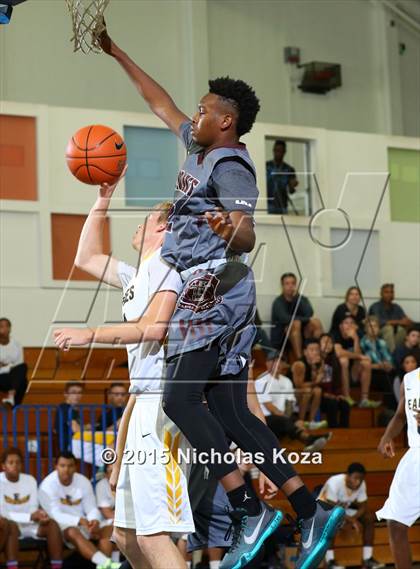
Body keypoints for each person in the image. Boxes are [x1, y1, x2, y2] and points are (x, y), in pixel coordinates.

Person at [95, 24, 344, 569]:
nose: (194, 116)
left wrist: (227, 228)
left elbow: (249, 232)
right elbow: (158, 102)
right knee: (231, 410)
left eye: (204, 111)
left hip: (214, 288)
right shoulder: (200, 148)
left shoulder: (231, 164)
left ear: (225, 121)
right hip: (209, 290)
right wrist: (117, 52)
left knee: (180, 400)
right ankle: (308, 509)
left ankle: (248, 507)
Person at [53, 173, 194, 568]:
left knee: (153, 533)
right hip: (143, 407)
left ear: (164, 225)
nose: (139, 222)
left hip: (163, 412)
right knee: (125, 535)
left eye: (147, 215)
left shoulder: (168, 268)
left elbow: (154, 327)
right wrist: (103, 199)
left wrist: (90, 334)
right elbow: (86, 258)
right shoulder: (138, 276)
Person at [39, 452, 119, 569]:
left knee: (110, 529)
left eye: (70, 466)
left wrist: (94, 521)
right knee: (72, 531)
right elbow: (54, 514)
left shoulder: (82, 481)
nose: (66, 469)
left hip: (85, 525)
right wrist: (79, 520)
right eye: (62, 465)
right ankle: (106, 564)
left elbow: (90, 507)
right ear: (56, 466)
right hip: (61, 528)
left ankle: (109, 565)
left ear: (75, 467)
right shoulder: (47, 485)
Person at [376, 366, 420, 569]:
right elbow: (401, 415)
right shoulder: (410, 379)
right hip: (416, 455)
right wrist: (387, 435)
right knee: (395, 522)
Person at [0, 447, 63, 569]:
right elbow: (2, 513)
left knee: (52, 525)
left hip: (31, 524)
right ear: (3, 466)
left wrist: (40, 516)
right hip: (10, 526)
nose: (15, 465)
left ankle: (57, 566)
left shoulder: (30, 480)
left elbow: (33, 507)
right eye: (11, 462)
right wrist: (29, 516)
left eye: (18, 462)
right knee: (10, 525)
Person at [255, 351, 331, 449]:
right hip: (265, 419)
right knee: (288, 421)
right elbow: (269, 406)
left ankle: (311, 440)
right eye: (274, 361)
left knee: (293, 422)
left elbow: (289, 403)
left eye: (280, 361)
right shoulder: (261, 381)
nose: (277, 364)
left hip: (282, 418)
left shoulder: (287, 381)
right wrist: (288, 419)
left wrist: (288, 417)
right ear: (267, 363)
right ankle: (310, 439)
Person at [319, 463, 384, 569]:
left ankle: (367, 559)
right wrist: (352, 521)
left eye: (361, 479)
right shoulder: (335, 482)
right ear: (347, 476)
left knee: (369, 517)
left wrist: (353, 519)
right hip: (323, 510)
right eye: (355, 478)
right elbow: (332, 508)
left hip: (343, 511)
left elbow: (363, 506)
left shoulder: (362, 484)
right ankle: (330, 561)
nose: (358, 482)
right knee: (332, 520)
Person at [271, 273, 323, 359]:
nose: (290, 286)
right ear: (282, 286)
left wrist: (297, 297)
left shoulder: (301, 299)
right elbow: (285, 318)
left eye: (293, 283)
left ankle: (318, 356)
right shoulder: (278, 302)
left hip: (302, 334)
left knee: (316, 322)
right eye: (287, 284)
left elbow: (309, 313)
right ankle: (300, 359)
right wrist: (303, 319)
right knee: (296, 323)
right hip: (282, 337)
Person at [333, 316, 379, 408]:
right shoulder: (335, 334)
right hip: (337, 372)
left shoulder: (358, 335)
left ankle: (364, 399)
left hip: (353, 371)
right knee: (344, 360)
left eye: (352, 323)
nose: (349, 325)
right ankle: (346, 397)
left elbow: (358, 356)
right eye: (346, 323)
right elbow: (339, 352)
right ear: (340, 326)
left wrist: (356, 339)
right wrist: (358, 356)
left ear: (355, 326)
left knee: (366, 363)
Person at [291, 339, 328, 429]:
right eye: (311, 350)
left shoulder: (318, 363)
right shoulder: (300, 364)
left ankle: (311, 421)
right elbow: (298, 385)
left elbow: (317, 383)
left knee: (318, 391)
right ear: (305, 352)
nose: (315, 352)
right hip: (291, 392)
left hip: (307, 389)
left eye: (317, 350)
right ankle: (301, 422)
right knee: (308, 391)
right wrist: (315, 381)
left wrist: (315, 368)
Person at [369, 284, 412, 352]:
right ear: (381, 294)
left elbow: (406, 321)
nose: (389, 294)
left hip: (393, 336)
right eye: (386, 292)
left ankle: (397, 352)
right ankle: (392, 355)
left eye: (391, 292)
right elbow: (378, 322)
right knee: (388, 328)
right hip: (378, 333)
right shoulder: (375, 306)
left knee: (403, 330)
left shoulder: (396, 307)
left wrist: (406, 322)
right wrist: (398, 322)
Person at [319, 334, 351, 428]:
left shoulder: (334, 361)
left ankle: (344, 431)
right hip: (320, 397)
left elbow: (337, 382)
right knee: (332, 403)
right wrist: (325, 394)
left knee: (345, 404)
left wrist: (339, 394)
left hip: (332, 395)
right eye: (325, 342)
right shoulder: (316, 360)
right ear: (319, 345)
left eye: (330, 342)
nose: (327, 344)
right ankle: (333, 429)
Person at [0, 318, 27, 407]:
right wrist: (10, 366)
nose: (4, 329)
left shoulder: (17, 345)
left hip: (12, 377)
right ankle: (13, 402)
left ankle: (12, 398)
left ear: (10, 329)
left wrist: (3, 365)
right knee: (21, 380)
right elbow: (14, 366)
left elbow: (19, 367)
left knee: (23, 370)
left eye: (6, 326)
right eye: (1, 326)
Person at [265, 140, 298, 214]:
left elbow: (291, 191)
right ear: (273, 151)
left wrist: (292, 186)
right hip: (267, 205)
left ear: (284, 152)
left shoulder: (289, 169)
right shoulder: (266, 166)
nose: (278, 153)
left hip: (282, 206)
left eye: (281, 151)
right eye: (276, 150)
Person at [55, 381, 83, 451]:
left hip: (73, 446)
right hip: (68, 447)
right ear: (65, 394)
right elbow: (76, 429)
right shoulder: (65, 408)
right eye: (73, 392)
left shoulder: (73, 409)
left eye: (79, 392)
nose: (77, 396)